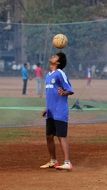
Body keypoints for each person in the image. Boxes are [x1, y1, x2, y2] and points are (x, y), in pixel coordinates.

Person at [40, 52, 74, 170]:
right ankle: (53, 161)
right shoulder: (48, 75)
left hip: (60, 110)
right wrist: (47, 108)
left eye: (55, 56)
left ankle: (67, 162)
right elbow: (51, 94)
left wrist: (64, 92)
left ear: (58, 62)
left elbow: (70, 89)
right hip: (51, 111)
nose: (52, 56)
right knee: (49, 136)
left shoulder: (60, 73)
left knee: (61, 136)